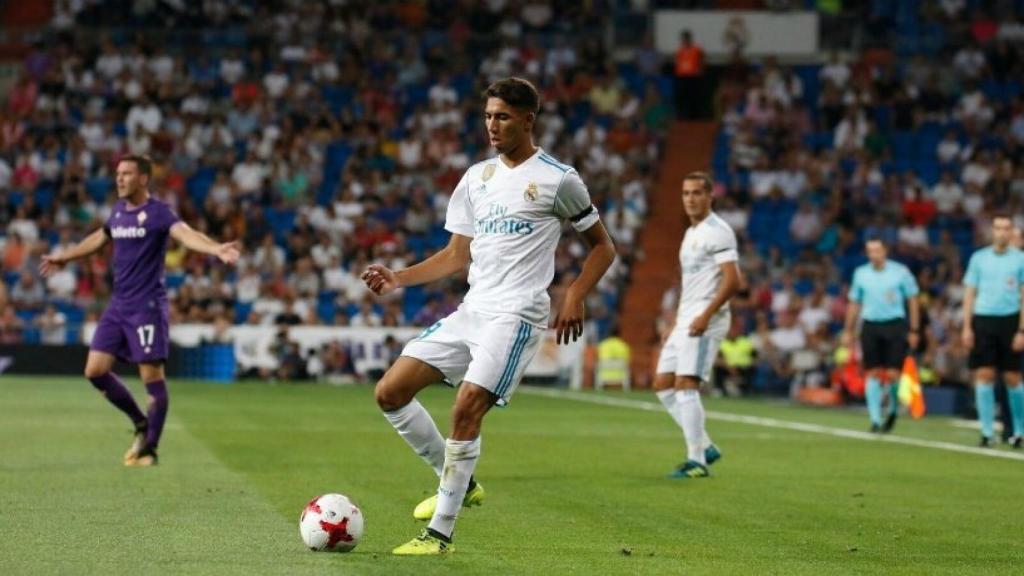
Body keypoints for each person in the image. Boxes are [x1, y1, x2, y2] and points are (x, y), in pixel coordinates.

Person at [361, 77, 616, 555]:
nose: (492, 126)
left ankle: (439, 534)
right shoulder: (476, 178)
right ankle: (459, 480)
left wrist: (576, 293)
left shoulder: (559, 178)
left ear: (527, 120)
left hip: (516, 315)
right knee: (390, 392)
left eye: (502, 117)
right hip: (473, 310)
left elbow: (603, 246)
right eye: (487, 116)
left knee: (465, 408)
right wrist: (398, 277)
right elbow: (457, 254)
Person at [39, 155, 240, 466]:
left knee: (151, 376)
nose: (119, 179)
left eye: (127, 173)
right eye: (118, 173)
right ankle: (140, 423)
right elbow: (100, 237)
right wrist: (66, 257)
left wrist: (215, 248)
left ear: (144, 179)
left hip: (146, 307)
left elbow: (185, 234)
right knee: (94, 371)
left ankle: (150, 448)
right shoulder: (118, 211)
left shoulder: (159, 213)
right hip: (118, 305)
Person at [654, 172, 740, 479]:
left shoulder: (719, 231)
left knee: (686, 385)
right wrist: (675, 321)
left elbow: (733, 280)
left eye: (696, 193)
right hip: (686, 318)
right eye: (686, 193)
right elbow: (690, 283)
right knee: (663, 384)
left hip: (706, 319)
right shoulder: (691, 233)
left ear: (709, 197)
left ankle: (697, 461)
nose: (690, 198)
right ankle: (705, 446)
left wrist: (705, 315)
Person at [842, 238, 920, 433]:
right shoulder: (861, 274)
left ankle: (892, 409)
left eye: (877, 250)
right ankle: (875, 419)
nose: (873, 255)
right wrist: (848, 330)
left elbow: (912, 299)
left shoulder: (900, 272)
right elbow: (854, 302)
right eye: (870, 251)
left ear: (885, 251)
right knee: (872, 372)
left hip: (894, 324)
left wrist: (914, 329)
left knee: (894, 374)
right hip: (870, 325)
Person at [961, 214, 1024, 448]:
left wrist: (1022, 330)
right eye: (998, 227)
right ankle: (987, 432)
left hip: (1010, 320)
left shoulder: (1020, 259)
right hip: (984, 320)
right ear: (992, 231)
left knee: (1013, 377)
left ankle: (1019, 431)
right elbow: (970, 293)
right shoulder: (979, 258)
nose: (1002, 232)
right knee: (984, 375)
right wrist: (967, 326)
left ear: (1011, 231)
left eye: (1006, 228)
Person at [674, 30, 705, 120]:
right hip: (682, 77)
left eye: (686, 38)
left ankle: (694, 118)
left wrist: (700, 70)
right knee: (682, 99)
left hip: (693, 78)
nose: (684, 41)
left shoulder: (696, 49)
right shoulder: (680, 50)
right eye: (683, 39)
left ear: (689, 39)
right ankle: (682, 118)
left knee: (693, 99)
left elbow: (702, 61)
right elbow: (678, 63)